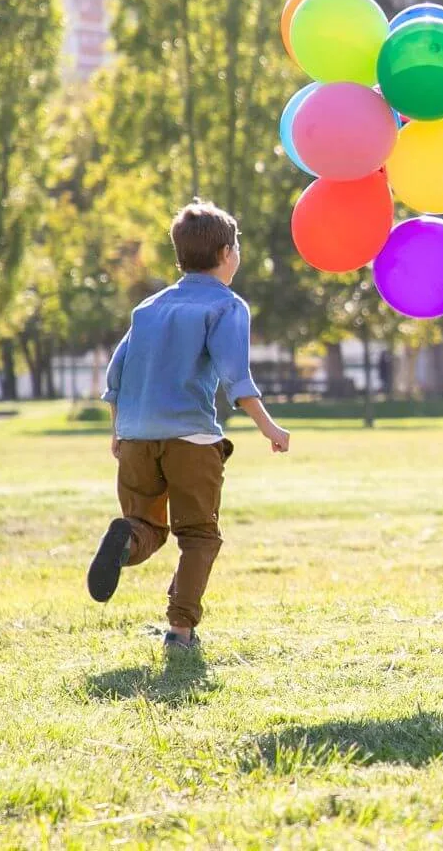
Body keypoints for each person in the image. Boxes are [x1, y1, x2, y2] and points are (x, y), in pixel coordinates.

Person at [86, 201, 291, 652]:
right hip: (191, 439)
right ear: (225, 253)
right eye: (236, 247)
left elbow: (115, 375)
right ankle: (180, 631)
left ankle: (125, 542)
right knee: (198, 535)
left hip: (137, 437)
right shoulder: (227, 306)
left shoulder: (149, 307)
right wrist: (270, 428)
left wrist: (118, 431)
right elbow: (236, 377)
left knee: (146, 526)